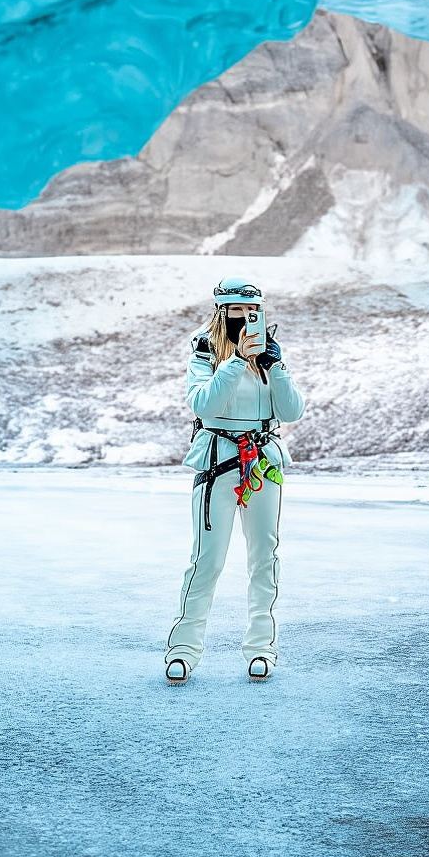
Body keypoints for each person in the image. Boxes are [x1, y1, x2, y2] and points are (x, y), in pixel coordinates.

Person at [163, 276, 306, 685]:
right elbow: (204, 405)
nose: (246, 320)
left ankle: (262, 647)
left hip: (263, 462)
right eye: (237, 312)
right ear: (221, 313)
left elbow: (292, 411)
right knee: (207, 559)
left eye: (253, 312)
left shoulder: (270, 356)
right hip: (217, 462)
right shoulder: (205, 354)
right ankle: (183, 650)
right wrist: (235, 363)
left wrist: (274, 367)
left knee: (265, 556)